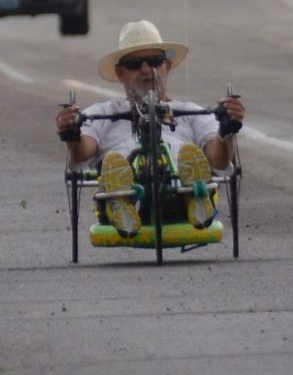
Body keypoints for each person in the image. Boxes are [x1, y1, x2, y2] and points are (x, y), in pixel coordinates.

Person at [55, 20, 245, 237]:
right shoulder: (102, 113)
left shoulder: (192, 113)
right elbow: (81, 153)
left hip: (179, 194)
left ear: (167, 66)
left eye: (154, 61)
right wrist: (71, 134)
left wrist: (227, 131)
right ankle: (121, 200)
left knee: (189, 159)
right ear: (120, 73)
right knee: (115, 167)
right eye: (134, 64)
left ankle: (194, 195)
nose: (146, 70)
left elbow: (219, 160)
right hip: (124, 192)